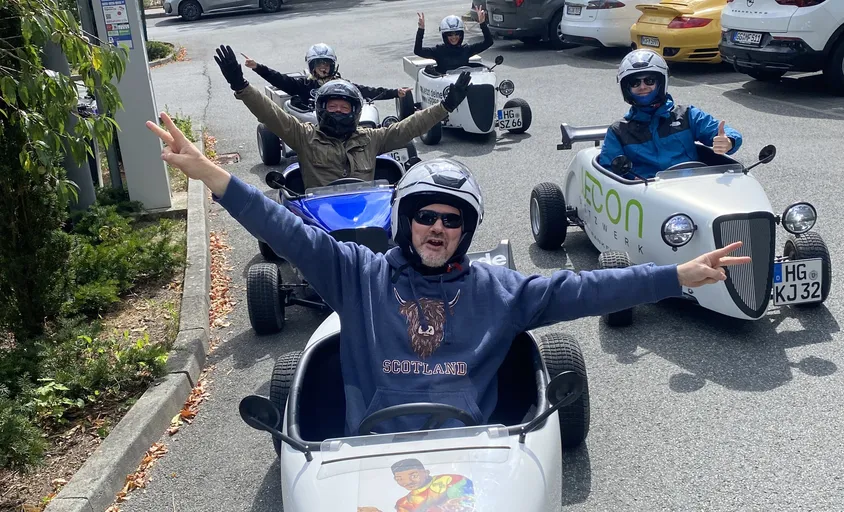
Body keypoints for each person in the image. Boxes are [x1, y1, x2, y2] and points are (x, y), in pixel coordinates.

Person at [146, 111, 752, 437]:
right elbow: (284, 229)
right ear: (405, 222)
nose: (437, 228)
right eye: (426, 216)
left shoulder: (501, 291)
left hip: (475, 457)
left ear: (466, 230)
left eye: (451, 220)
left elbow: (587, 287)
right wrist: (209, 174)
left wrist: (677, 275)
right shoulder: (356, 275)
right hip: (364, 455)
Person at [213, 44, 471, 190]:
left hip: (368, 216)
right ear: (321, 110)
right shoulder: (303, 136)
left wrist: (446, 105)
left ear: (354, 111)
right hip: (320, 224)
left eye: (344, 108)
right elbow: (270, 114)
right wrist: (241, 86)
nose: (338, 111)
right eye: (332, 107)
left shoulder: (371, 139)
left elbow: (409, 127)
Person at [598, 49, 744, 179]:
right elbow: (608, 171)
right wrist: (630, 180)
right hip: (645, 194)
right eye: (634, 83)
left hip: (693, 187)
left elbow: (724, 131)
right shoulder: (618, 131)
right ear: (627, 88)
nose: (643, 86)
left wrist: (728, 141)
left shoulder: (686, 115)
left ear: (661, 83)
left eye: (649, 80)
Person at [241, 43, 410, 111]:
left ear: (332, 65)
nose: (323, 67)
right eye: (319, 64)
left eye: (327, 63)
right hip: (312, 128)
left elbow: (366, 91)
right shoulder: (303, 85)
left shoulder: (341, 84)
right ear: (312, 66)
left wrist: (395, 92)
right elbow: (278, 79)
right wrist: (257, 67)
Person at [414, 7, 493, 73]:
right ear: (444, 36)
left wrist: (482, 24)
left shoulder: (466, 49)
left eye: (457, 34)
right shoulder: (439, 51)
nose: (454, 37)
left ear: (461, 35)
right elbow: (418, 50)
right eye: (450, 34)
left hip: (464, 85)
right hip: (443, 86)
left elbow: (488, 42)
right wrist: (421, 29)